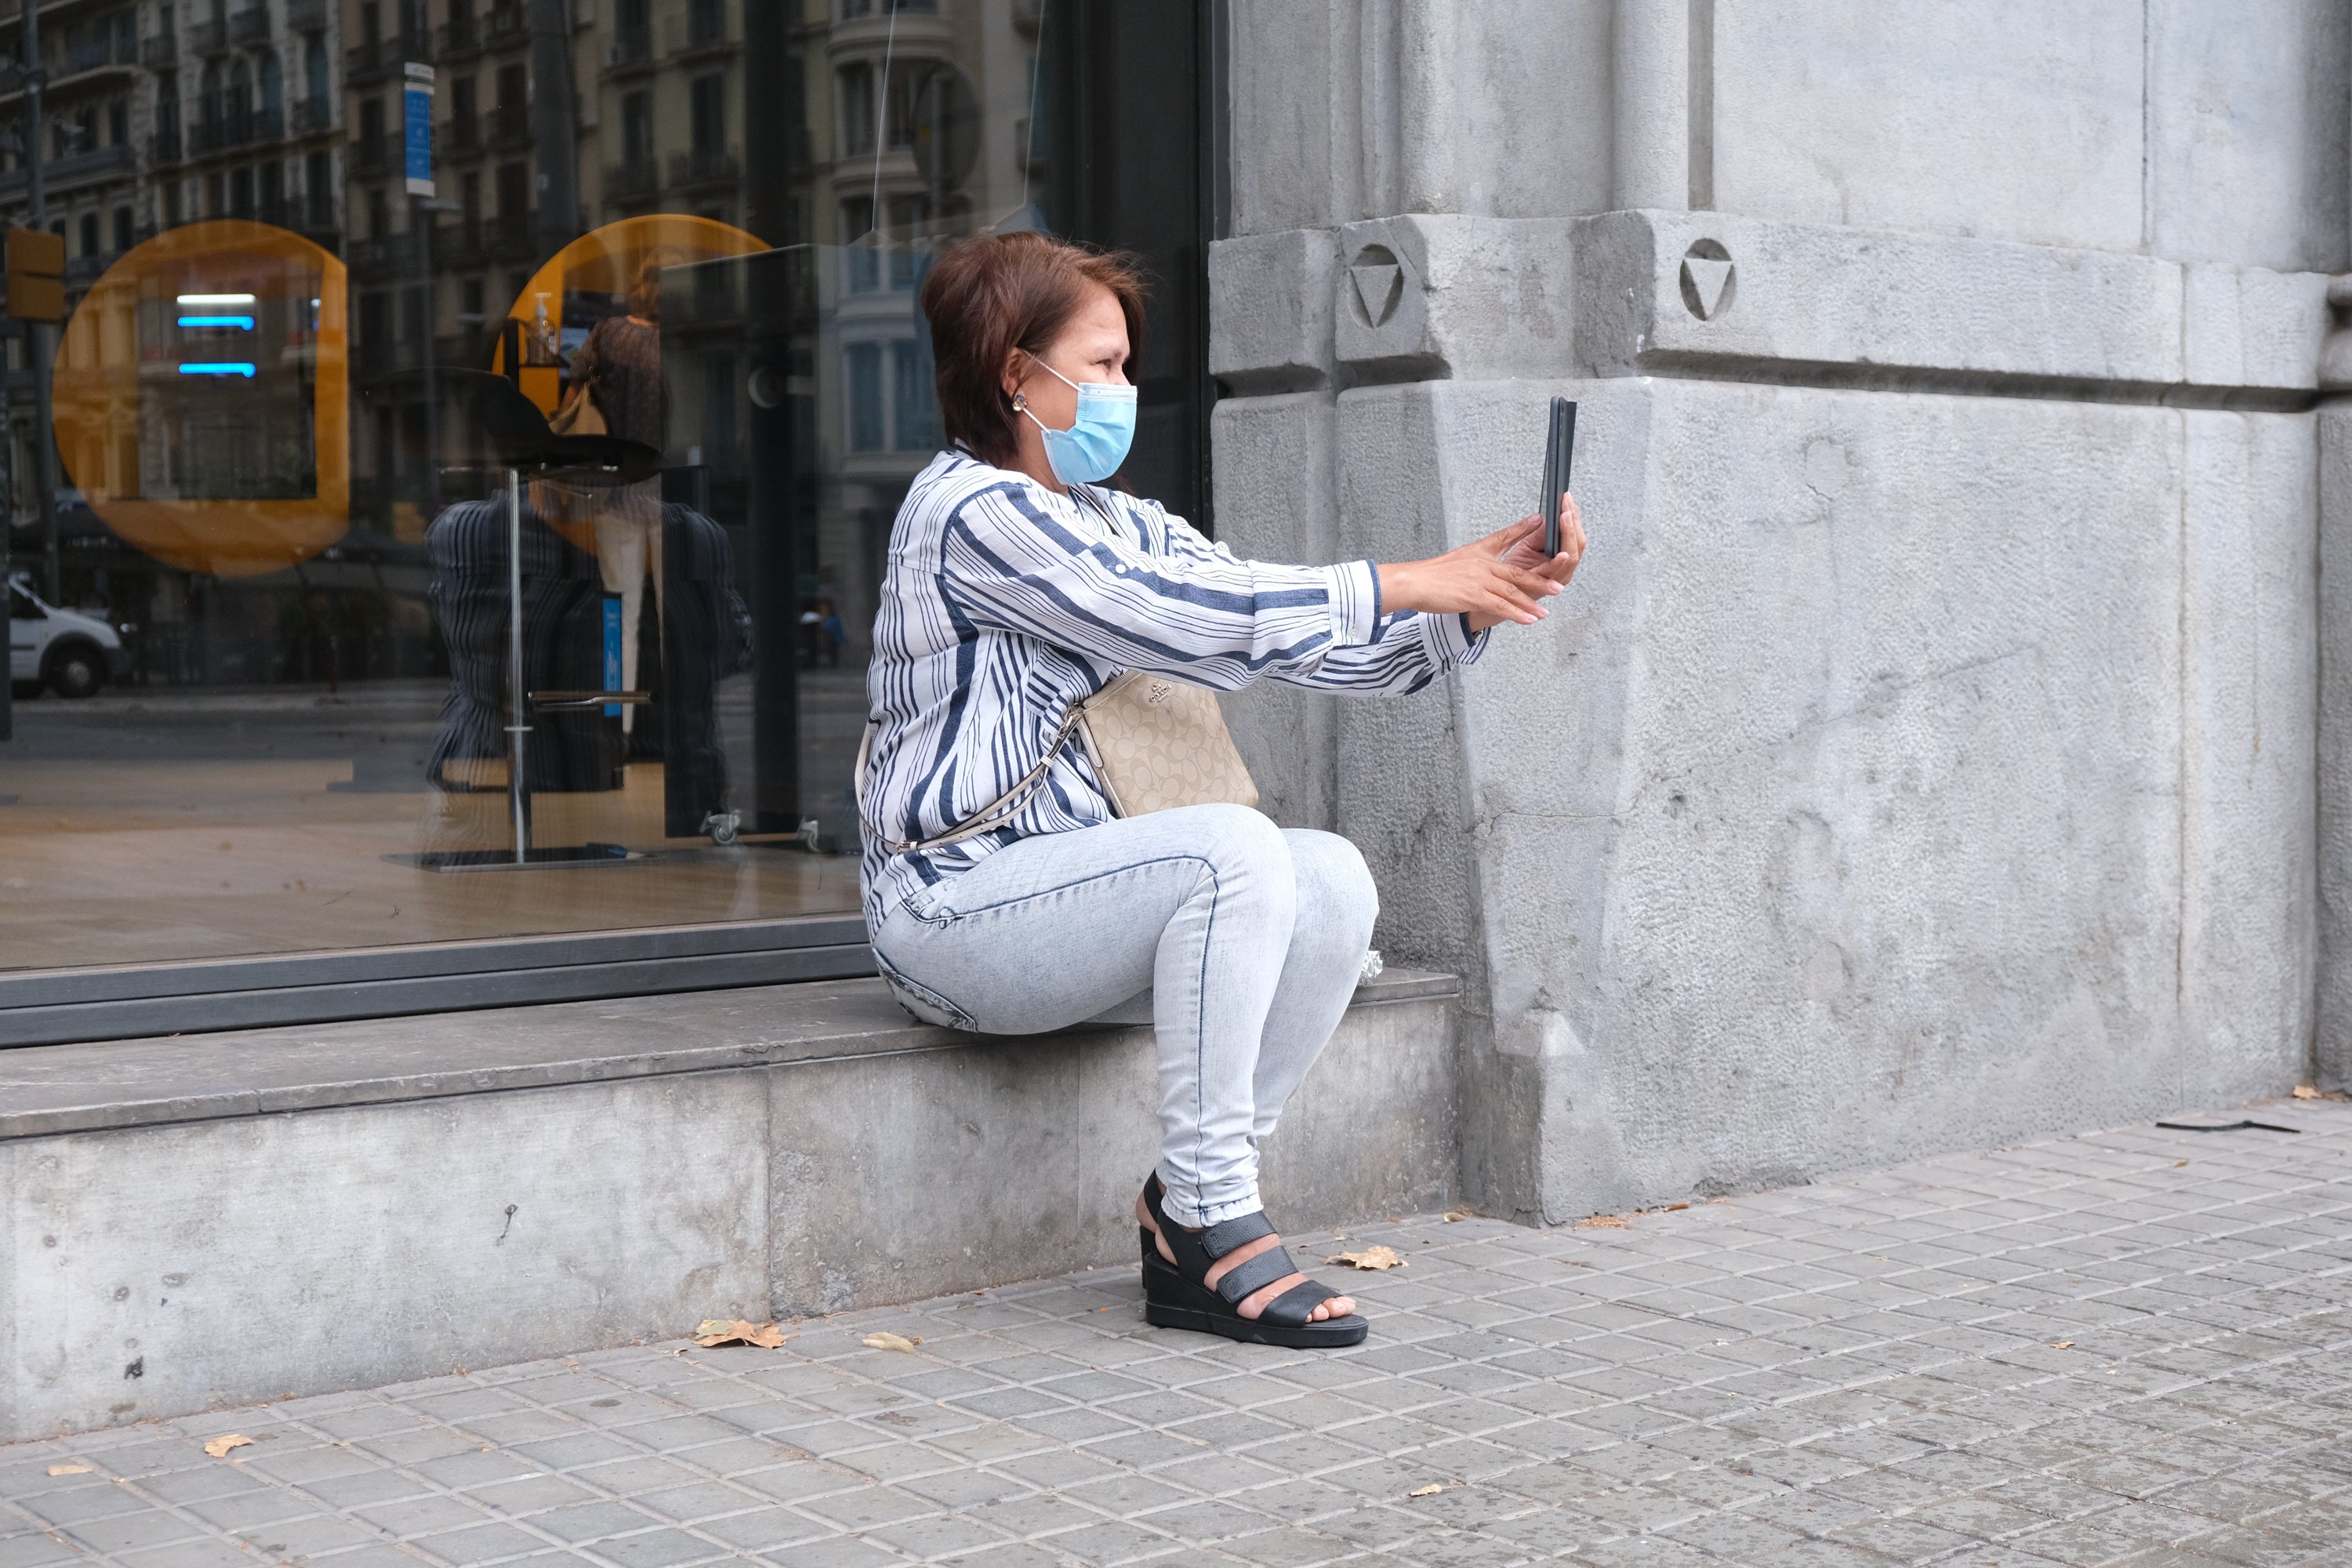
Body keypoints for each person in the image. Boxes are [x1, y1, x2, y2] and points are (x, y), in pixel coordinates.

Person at [858, 231, 1584, 1348]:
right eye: (1098, 366)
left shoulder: (1122, 521)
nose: (1122, 390)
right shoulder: (968, 513)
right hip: (951, 914)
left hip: (1065, 918)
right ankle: (1210, 1219)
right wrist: (1400, 577)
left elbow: (1302, 643)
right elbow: (1187, 618)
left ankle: (1189, 1201)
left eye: (1126, 367)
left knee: (1330, 877)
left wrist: (1476, 600)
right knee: (1229, 851)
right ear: (1015, 372)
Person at [558, 252, 673, 735]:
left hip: (617, 490)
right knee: (675, 618)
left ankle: (617, 732)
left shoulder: (606, 334)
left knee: (620, 616)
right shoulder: (675, 342)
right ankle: (675, 730)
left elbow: (572, 399)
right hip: (671, 495)